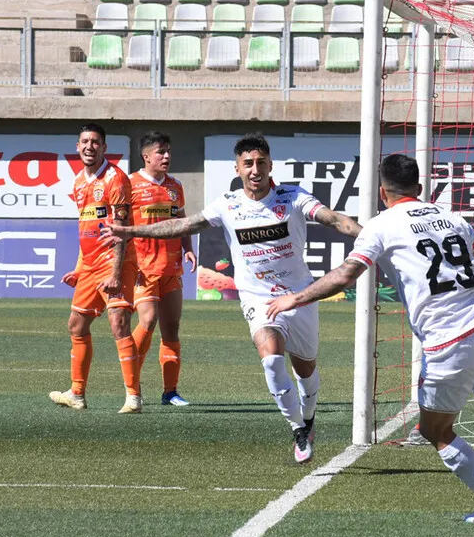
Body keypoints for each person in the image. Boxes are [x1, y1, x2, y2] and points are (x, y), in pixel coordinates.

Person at [267, 154, 474, 522]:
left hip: (449, 343)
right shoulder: (453, 218)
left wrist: (296, 296)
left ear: (383, 193)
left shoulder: (381, 226)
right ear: (420, 189)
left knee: (434, 430)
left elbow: (346, 275)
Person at [101, 132, 362, 463]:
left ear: (270, 166)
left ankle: (308, 418)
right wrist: (131, 230)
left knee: (307, 372)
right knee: (270, 357)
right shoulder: (228, 204)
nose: (255, 170)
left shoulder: (292, 197)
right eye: (248, 163)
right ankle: (297, 427)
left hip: (300, 296)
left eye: (261, 163)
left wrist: (367, 236)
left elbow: (334, 218)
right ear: (238, 168)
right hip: (257, 298)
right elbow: (181, 225)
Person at [50, 123, 144, 414]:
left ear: (104, 147)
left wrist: (116, 273)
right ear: (77, 147)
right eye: (84, 141)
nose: (89, 146)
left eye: (95, 142)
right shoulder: (78, 182)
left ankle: (133, 398)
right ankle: (76, 394)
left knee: (119, 324)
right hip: (90, 266)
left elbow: (122, 228)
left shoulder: (115, 179)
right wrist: (79, 268)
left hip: (115, 262)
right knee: (76, 326)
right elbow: (85, 229)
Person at [128, 132, 196, 406]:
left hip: (171, 268)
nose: (167, 156)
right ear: (146, 156)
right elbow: (118, 226)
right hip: (142, 269)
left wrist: (188, 247)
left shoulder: (175, 186)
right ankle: (131, 382)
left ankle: (170, 392)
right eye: (160, 152)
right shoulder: (129, 184)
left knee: (172, 328)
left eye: (168, 151)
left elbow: (182, 221)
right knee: (147, 321)